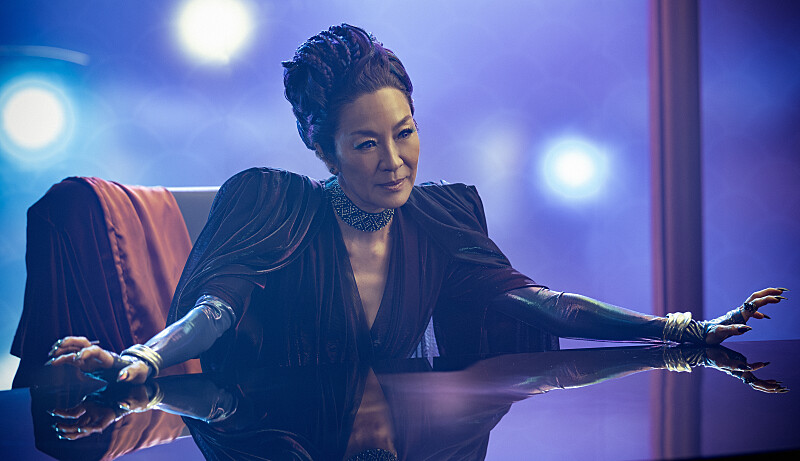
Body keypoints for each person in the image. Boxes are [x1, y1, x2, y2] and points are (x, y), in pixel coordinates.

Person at [48, 24, 787, 385]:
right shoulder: (275, 205)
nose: (395, 161)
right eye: (367, 143)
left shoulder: (437, 219)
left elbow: (547, 305)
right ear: (322, 150)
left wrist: (685, 329)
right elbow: (215, 312)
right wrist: (143, 356)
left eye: (405, 133)